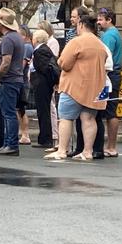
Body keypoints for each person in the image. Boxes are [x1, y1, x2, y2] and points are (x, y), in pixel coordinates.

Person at [44, 14, 107, 161]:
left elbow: (64, 63)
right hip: (95, 87)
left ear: (81, 25)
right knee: (89, 119)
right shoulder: (100, 44)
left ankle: (61, 150)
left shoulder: (76, 42)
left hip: (74, 86)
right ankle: (87, 151)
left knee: (66, 118)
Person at [0, 8, 25, 156]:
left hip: (8, 80)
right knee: (9, 113)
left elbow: (6, 61)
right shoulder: (16, 37)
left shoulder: (8, 39)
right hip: (14, 79)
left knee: (8, 113)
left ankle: (11, 144)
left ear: (1, 24)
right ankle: (8, 143)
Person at [97, 7, 122, 158]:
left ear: (109, 20)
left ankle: (111, 147)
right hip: (114, 75)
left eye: (101, 19)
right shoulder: (114, 33)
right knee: (110, 109)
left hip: (109, 76)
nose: (99, 22)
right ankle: (110, 146)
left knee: (108, 109)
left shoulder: (109, 36)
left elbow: (105, 57)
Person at [30, 30, 57, 148]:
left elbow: (43, 68)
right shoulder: (44, 49)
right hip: (43, 84)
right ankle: (44, 138)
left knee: (43, 111)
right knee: (43, 111)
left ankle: (45, 139)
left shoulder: (40, 51)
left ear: (36, 39)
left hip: (42, 84)